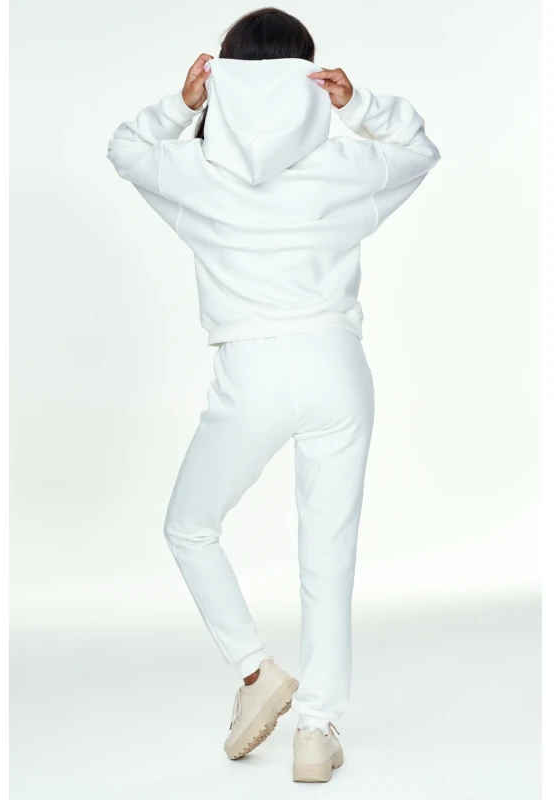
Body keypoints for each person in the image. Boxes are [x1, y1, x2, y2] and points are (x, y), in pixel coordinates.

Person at [106, 6, 441, 783]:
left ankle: (257, 673)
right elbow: (419, 150)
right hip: (336, 365)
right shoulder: (341, 167)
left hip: (251, 368)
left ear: (223, 77)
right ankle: (316, 732)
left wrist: (182, 106)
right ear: (307, 79)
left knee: (190, 526)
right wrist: (358, 105)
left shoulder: (195, 170)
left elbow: (125, 148)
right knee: (328, 552)